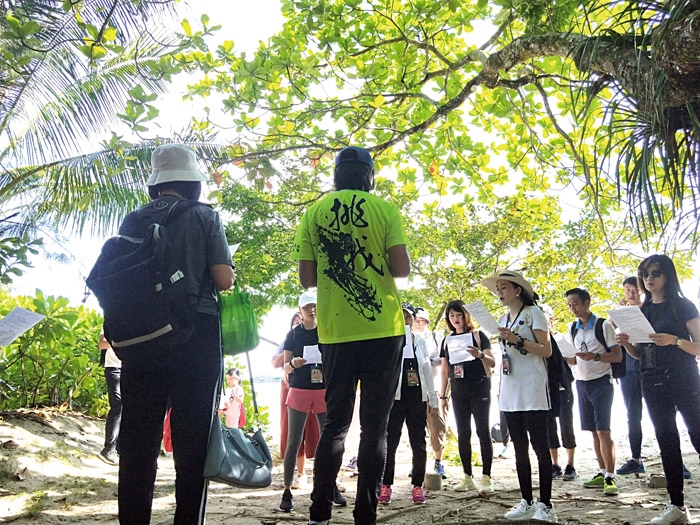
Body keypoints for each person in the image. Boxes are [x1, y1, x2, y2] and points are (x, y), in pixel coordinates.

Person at [116, 144, 235, 525]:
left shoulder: (132, 219)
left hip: (141, 337)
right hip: (193, 334)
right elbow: (223, 278)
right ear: (191, 182)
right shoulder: (204, 215)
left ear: (157, 183)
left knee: (138, 439)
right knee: (191, 439)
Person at [292, 145, 410, 525]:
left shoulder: (314, 212)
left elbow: (307, 279)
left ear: (337, 175)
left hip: (337, 331)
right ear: (369, 175)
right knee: (376, 427)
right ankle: (365, 516)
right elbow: (401, 269)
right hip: (383, 330)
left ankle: (319, 514)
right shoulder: (385, 210)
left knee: (336, 424)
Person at [616, 255, 700, 525]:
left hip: (683, 377)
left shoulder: (682, 306)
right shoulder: (643, 310)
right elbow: (641, 354)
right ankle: (677, 505)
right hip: (651, 380)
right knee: (666, 440)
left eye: (656, 273)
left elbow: (699, 347)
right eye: (645, 274)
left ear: (668, 276)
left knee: (698, 433)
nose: (649, 279)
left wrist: (674, 341)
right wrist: (626, 344)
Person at [482, 270, 556, 522]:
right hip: (510, 387)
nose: (500, 292)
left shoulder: (533, 313)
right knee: (519, 447)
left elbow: (546, 350)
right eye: (498, 288)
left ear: (517, 290)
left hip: (533, 387)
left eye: (504, 287)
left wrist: (518, 341)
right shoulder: (503, 317)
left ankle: (546, 504)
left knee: (539, 447)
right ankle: (526, 500)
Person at [279, 291, 346, 512]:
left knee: (329, 442)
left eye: (314, 306)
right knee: (293, 441)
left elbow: (337, 359)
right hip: (299, 390)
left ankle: (331, 486)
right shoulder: (294, 334)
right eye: (307, 307)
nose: (311, 310)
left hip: (323, 391)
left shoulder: (326, 329)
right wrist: (294, 364)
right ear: (300, 310)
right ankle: (287, 490)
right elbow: (285, 367)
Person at [564, 288, 622, 496]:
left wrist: (595, 357)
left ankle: (610, 476)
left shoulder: (602, 325)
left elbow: (617, 356)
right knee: (592, 431)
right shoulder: (573, 328)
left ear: (587, 303)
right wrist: (566, 358)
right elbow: (574, 358)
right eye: (570, 305)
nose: (573, 309)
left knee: (604, 430)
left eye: (576, 304)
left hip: (601, 382)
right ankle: (601, 471)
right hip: (582, 383)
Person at [379, 303, 437, 505]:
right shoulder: (389, 340)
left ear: (414, 319)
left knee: (418, 442)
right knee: (390, 443)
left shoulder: (420, 340)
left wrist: (433, 396)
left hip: (416, 397)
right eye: (401, 315)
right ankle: (386, 485)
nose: (405, 319)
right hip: (395, 398)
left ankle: (417, 485)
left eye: (408, 316)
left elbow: (427, 368)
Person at [438, 300, 495, 494]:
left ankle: (486, 477)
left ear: (466, 315)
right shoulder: (447, 340)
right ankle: (467, 476)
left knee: (482, 431)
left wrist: (479, 355)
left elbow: (492, 361)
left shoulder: (478, 335)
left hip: (480, 388)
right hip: (458, 391)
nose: (456, 319)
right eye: (452, 315)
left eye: (459, 314)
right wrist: (442, 395)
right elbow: (445, 369)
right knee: (463, 433)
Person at [272, 312, 320, 488]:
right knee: (294, 435)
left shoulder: (320, 332)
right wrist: (290, 360)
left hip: (318, 388)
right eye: (296, 322)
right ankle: (298, 476)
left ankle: (326, 477)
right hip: (293, 388)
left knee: (319, 432)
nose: (299, 324)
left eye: (301, 321)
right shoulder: (290, 337)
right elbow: (276, 363)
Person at [540, 305, 577, 482]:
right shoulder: (537, 342)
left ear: (551, 319)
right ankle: (555, 464)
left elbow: (575, 359)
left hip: (562, 388)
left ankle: (571, 464)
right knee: (549, 428)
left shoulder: (560, 339)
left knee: (566, 425)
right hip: (544, 389)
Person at [412, 306, 448, 478]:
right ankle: (417, 465)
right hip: (413, 392)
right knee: (416, 430)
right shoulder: (406, 339)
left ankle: (438, 463)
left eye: (422, 320)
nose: (418, 323)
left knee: (437, 428)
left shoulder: (436, 338)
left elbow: (447, 361)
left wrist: (435, 361)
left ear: (427, 322)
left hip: (433, 388)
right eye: (415, 320)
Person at [99, 333, 122, 466]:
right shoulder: (112, 319)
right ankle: (109, 448)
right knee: (118, 405)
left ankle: (120, 448)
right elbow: (102, 344)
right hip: (114, 367)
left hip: (133, 366)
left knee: (130, 407)